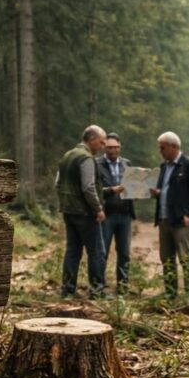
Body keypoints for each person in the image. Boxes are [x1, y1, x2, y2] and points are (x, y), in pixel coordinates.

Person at [149, 131, 189, 299]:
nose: (160, 151)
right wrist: (158, 193)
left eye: (163, 148)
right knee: (166, 258)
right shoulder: (163, 166)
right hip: (164, 218)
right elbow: (167, 190)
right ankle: (170, 294)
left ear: (174, 147)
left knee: (185, 258)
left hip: (181, 220)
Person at [56, 125, 107, 298]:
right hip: (85, 213)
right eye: (101, 142)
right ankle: (97, 291)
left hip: (69, 212)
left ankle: (68, 290)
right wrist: (98, 208)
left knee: (72, 251)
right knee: (96, 252)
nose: (103, 146)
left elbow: (57, 184)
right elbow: (88, 187)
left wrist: (66, 202)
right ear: (92, 139)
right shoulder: (86, 158)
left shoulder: (67, 156)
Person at [97, 133, 135, 295]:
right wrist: (111, 190)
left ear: (120, 147)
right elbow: (95, 190)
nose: (113, 150)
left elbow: (133, 185)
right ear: (104, 147)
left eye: (116, 147)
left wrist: (136, 192)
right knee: (102, 252)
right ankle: (99, 286)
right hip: (107, 214)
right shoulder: (97, 164)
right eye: (110, 147)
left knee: (124, 253)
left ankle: (123, 287)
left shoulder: (127, 164)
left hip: (125, 214)